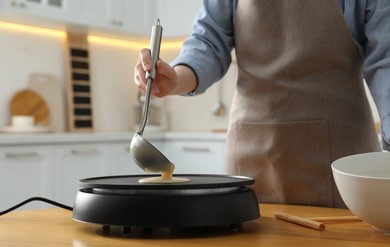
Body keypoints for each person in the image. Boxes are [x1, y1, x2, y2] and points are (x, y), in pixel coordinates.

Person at [134, 0, 390, 208]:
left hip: (341, 158)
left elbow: (385, 60)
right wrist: (176, 78)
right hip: (249, 155)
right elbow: (208, 43)